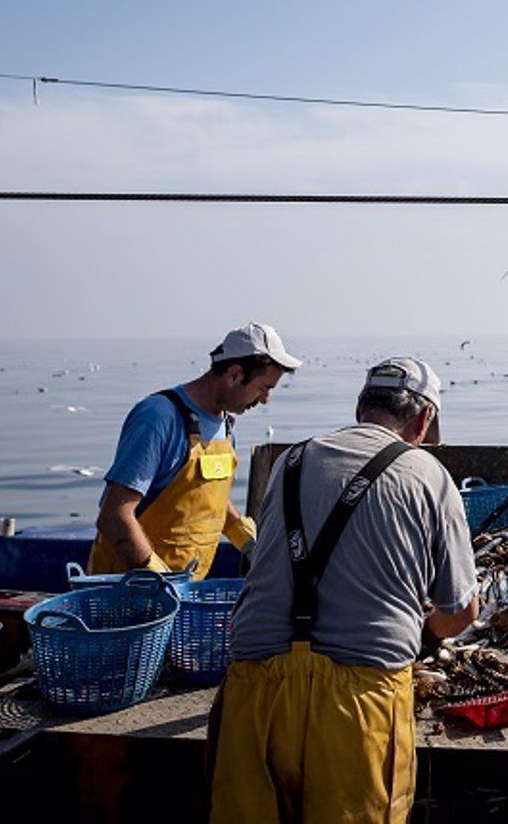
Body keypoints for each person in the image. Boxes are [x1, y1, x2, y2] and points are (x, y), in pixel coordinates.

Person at [210, 356, 478, 823]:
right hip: (358, 705)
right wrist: (426, 634)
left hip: (254, 692)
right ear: (423, 419)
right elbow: (461, 612)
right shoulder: (429, 474)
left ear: (360, 408)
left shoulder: (289, 462)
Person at [86, 323, 297, 579]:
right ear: (234, 374)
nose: (265, 400)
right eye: (264, 388)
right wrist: (158, 579)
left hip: (186, 590)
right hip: (126, 591)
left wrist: (247, 541)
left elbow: (205, 498)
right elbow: (114, 516)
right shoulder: (158, 417)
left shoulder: (225, 427)